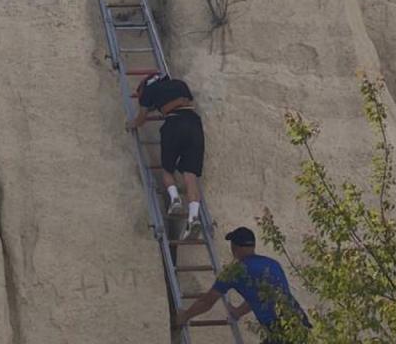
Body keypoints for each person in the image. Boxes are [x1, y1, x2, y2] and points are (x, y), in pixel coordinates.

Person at [175, 227, 311, 342]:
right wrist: (238, 311)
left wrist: (185, 316)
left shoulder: (235, 272)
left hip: (277, 329)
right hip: (299, 321)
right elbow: (263, 295)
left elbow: (207, 301)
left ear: (235, 247)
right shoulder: (272, 264)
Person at [127, 73, 205, 240]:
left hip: (174, 123)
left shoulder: (148, 91)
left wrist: (130, 124)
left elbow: (141, 119)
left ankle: (175, 199)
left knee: (167, 169)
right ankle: (193, 217)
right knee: (190, 175)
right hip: (194, 123)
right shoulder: (179, 84)